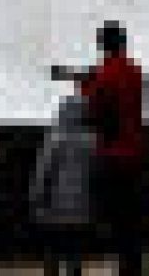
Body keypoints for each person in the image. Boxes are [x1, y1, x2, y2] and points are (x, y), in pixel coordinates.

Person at [80, 20, 148, 276]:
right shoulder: (136, 72)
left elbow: (93, 109)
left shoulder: (105, 74)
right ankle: (134, 266)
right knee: (132, 218)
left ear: (102, 44)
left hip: (113, 154)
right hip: (135, 150)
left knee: (116, 219)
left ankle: (125, 266)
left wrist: (85, 84)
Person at [30, 94, 99, 276]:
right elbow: (95, 175)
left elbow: (43, 172)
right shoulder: (92, 142)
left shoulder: (54, 140)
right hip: (82, 210)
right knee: (75, 256)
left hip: (55, 209)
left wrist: (36, 199)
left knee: (52, 254)